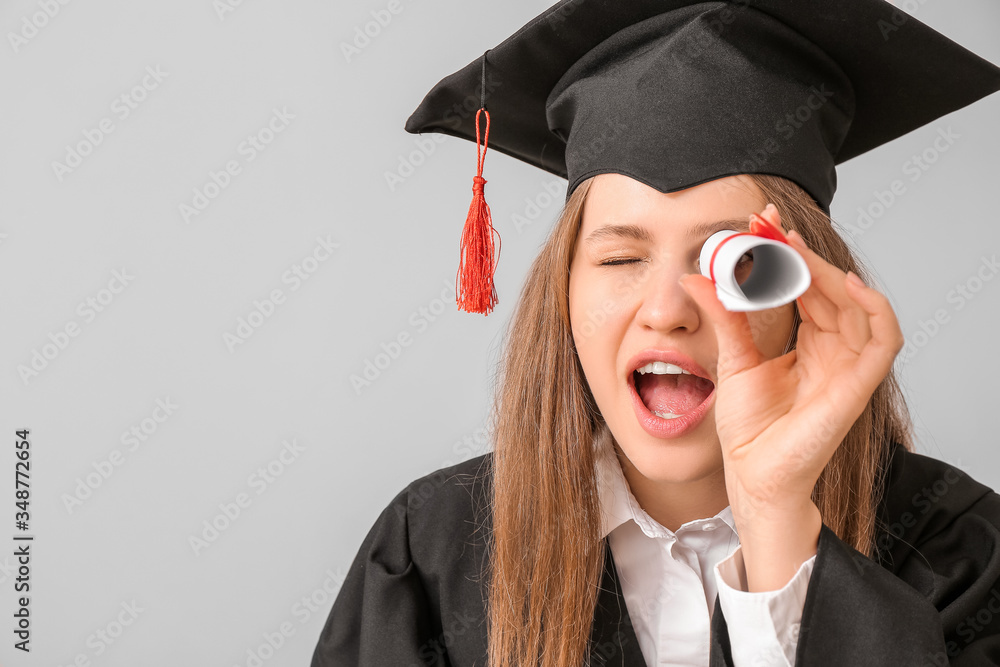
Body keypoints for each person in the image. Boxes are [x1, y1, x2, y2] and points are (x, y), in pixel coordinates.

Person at [312, 1, 1000, 665]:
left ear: (806, 295)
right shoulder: (432, 556)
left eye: (734, 262)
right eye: (620, 258)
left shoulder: (958, 551)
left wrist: (777, 520)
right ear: (563, 292)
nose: (668, 309)